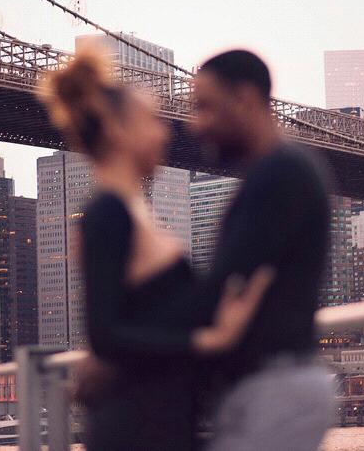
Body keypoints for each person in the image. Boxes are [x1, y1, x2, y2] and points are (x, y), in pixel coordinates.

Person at [36, 43, 274, 451]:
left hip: (163, 420)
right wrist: (209, 340)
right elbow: (105, 334)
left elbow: (144, 316)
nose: (165, 132)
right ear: (117, 131)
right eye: (151, 120)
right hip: (136, 426)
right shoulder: (107, 213)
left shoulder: (132, 212)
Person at [189, 49, 335, 450]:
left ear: (244, 98)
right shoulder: (276, 172)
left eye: (205, 107)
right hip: (269, 388)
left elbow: (224, 285)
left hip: (276, 391)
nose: (195, 124)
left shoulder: (282, 173)